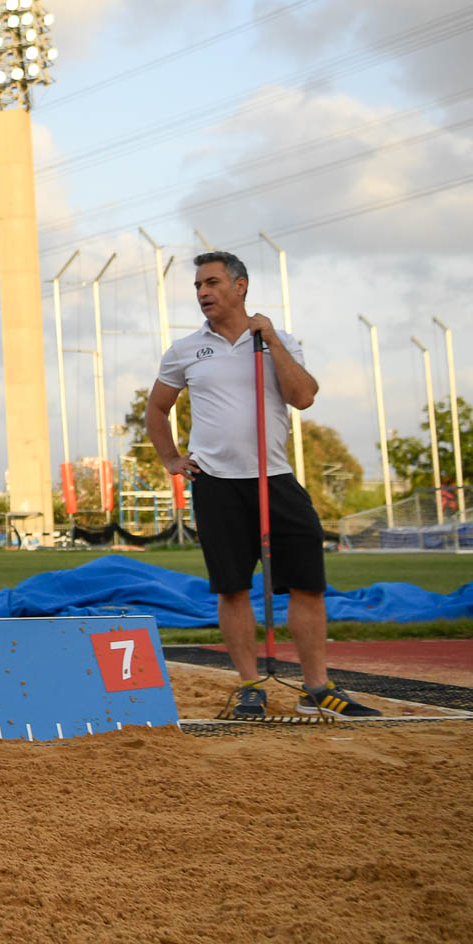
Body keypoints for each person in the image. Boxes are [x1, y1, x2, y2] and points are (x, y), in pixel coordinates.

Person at [146, 252, 378, 719]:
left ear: (240, 286)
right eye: (197, 286)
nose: (203, 293)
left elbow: (304, 397)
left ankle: (316, 688)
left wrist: (270, 339)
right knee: (231, 588)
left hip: (275, 479)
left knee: (308, 583)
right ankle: (250, 684)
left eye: (211, 283)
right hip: (215, 482)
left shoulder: (278, 340)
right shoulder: (186, 349)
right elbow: (156, 409)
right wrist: (171, 457)